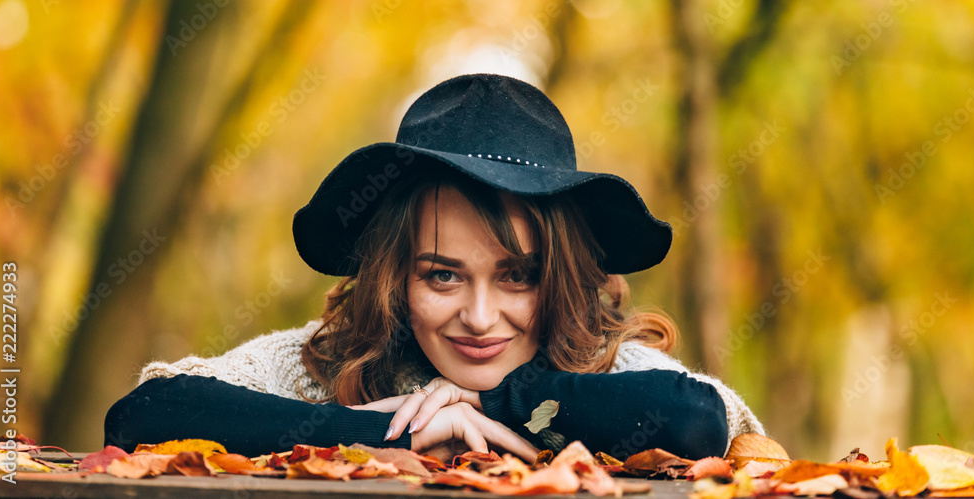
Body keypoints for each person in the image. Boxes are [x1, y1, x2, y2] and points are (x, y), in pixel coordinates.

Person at [104, 73, 764, 461]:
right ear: (396, 276)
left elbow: (699, 420)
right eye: (442, 275)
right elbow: (145, 415)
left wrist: (487, 403)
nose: (479, 317)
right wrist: (390, 431)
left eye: (517, 276)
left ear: (558, 277)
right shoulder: (317, 364)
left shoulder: (606, 362)